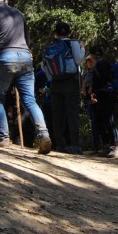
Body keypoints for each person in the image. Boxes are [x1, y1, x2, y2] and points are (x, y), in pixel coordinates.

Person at [0, 0, 52, 153]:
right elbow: (27, 39)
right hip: (25, 57)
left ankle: (3, 137)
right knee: (30, 99)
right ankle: (44, 134)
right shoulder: (19, 13)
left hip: (5, 57)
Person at [42, 22, 84, 152]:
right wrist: (82, 48)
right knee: (72, 114)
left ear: (56, 33)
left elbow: (44, 66)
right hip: (71, 82)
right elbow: (78, 60)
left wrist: (51, 78)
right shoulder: (73, 43)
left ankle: (59, 144)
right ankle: (75, 145)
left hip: (55, 83)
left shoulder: (50, 46)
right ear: (69, 32)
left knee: (57, 114)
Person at [85, 46, 118, 158]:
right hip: (105, 94)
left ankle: (114, 146)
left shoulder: (100, 65)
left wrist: (93, 92)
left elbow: (100, 81)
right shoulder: (104, 64)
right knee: (103, 120)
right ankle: (108, 146)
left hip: (105, 95)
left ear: (92, 55)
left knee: (108, 120)